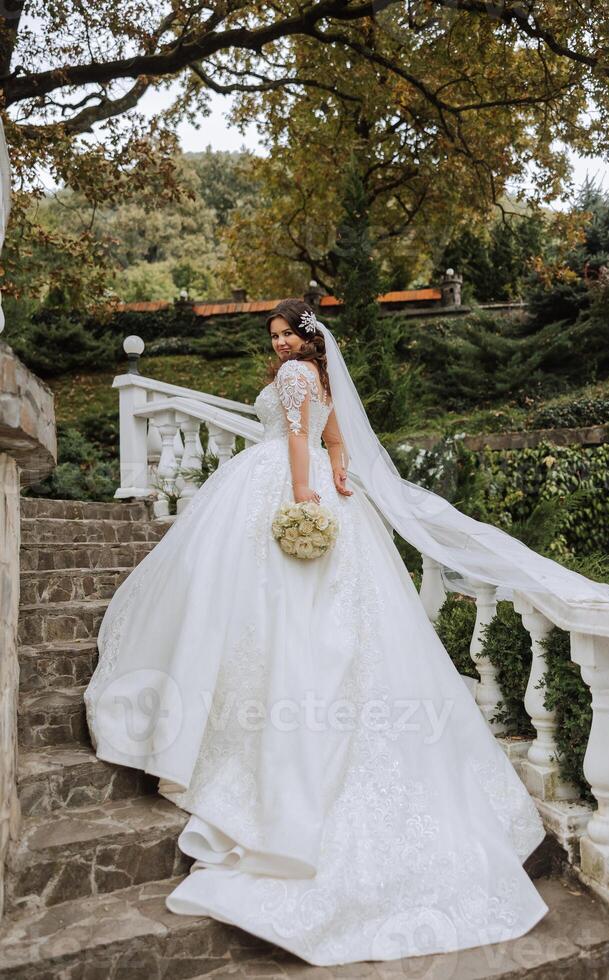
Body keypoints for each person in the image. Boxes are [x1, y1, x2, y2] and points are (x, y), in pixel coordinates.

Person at [84, 297, 556, 966]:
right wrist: (338, 478)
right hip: (312, 484)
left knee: (268, 610)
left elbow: (302, 438)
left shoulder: (296, 378)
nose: (277, 345)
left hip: (286, 482)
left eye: (285, 334)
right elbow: (336, 438)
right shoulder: (325, 376)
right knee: (331, 619)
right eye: (272, 335)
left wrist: (304, 496)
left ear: (306, 338)